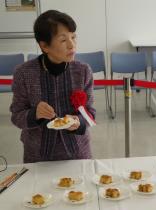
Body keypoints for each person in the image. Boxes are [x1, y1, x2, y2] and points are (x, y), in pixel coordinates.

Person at [10, 10, 96, 163]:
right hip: (37, 157)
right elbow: (16, 116)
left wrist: (78, 122)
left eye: (73, 37)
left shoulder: (83, 71)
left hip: (78, 154)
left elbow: (91, 114)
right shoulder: (24, 73)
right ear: (44, 46)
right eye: (63, 40)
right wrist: (34, 114)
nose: (72, 45)